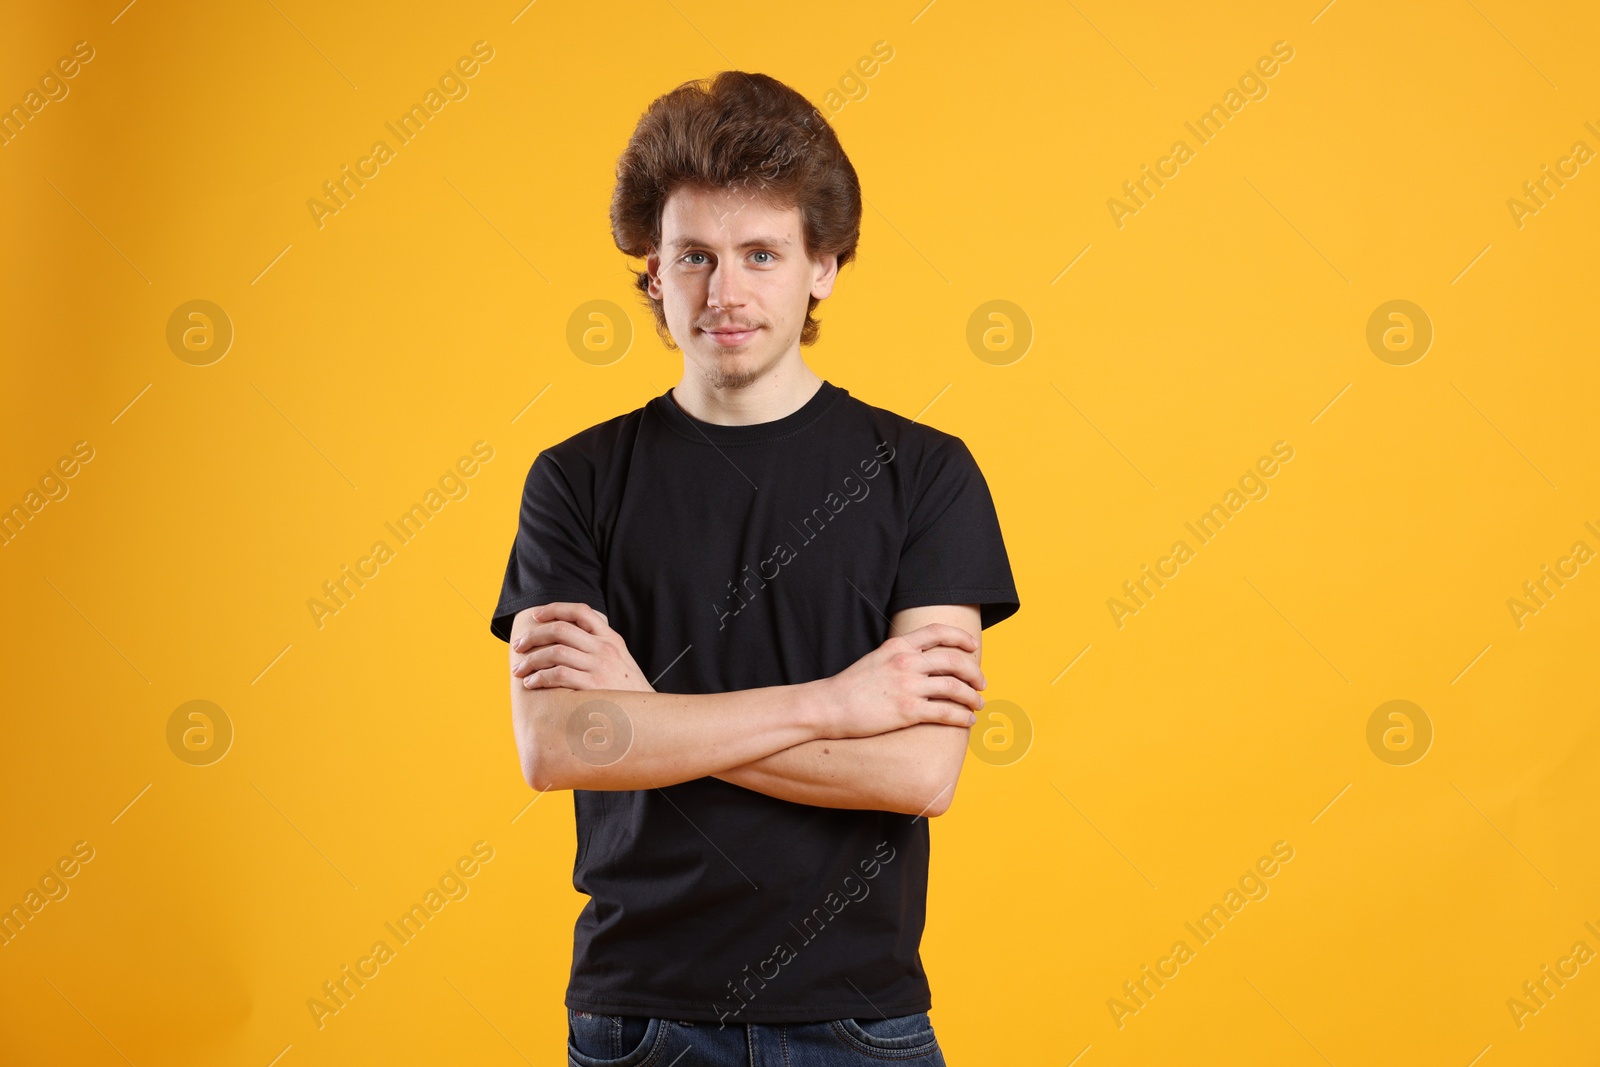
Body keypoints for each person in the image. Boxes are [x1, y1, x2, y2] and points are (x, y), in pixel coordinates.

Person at [489, 69, 1020, 1067]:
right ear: (652, 270)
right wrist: (834, 703)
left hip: (861, 1021)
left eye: (760, 254)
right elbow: (558, 746)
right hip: (639, 1020)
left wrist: (645, 714)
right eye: (693, 255)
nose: (723, 292)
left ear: (823, 265)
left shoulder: (926, 474)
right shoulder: (573, 479)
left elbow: (916, 769)